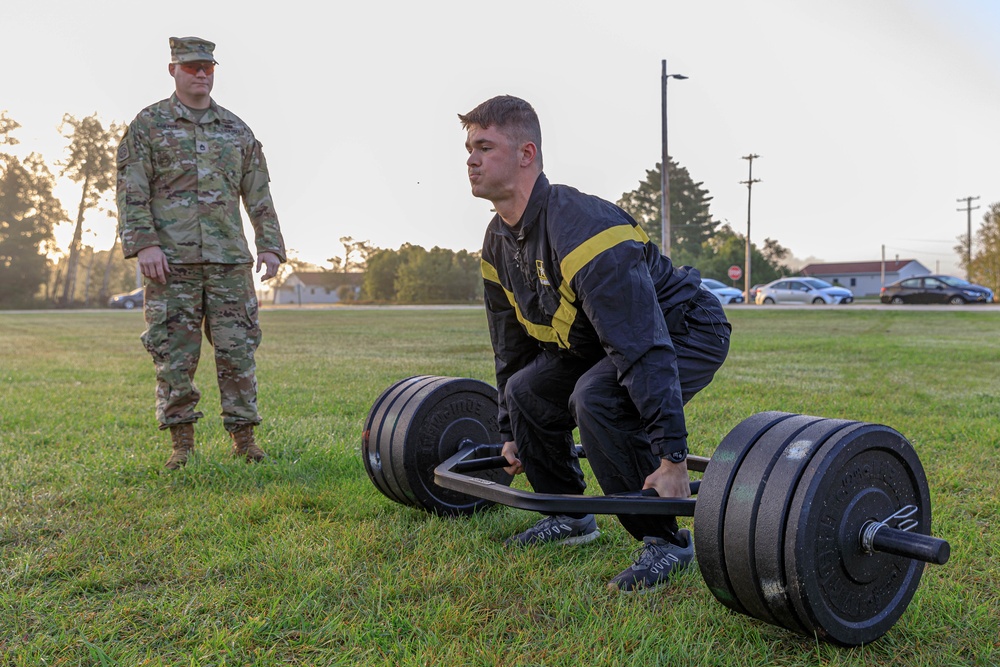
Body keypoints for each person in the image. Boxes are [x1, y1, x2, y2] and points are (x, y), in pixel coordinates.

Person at [458, 95, 731, 592]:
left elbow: (642, 349)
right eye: (468, 149)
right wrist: (511, 428)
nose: (471, 159)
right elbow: (511, 347)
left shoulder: (583, 228)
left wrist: (672, 460)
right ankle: (571, 515)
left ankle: (666, 541)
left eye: (484, 146)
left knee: (597, 397)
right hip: (604, 342)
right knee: (525, 389)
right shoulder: (498, 240)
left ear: (526, 154)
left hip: (684, 328)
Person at [116, 36, 286, 470]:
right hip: (170, 264)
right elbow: (131, 193)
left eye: (207, 66)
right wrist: (145, 244)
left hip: (230, 262)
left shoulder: (236, 130)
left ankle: (245, 440)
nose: (201, 73)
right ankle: (182, 444)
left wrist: (269, 245)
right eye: (191, 66)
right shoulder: (148, 126)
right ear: (172, 70)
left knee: (238, 352)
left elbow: (259, 194)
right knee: (174, 354)